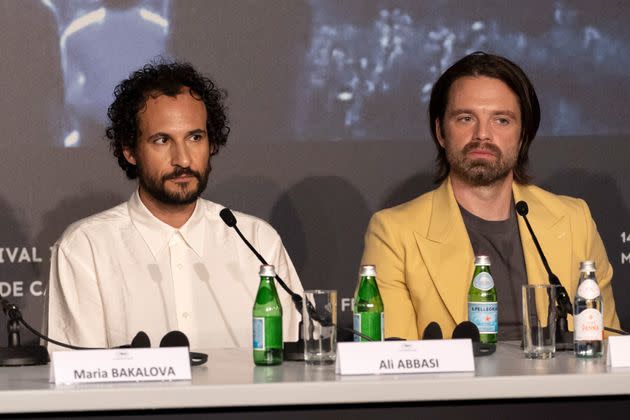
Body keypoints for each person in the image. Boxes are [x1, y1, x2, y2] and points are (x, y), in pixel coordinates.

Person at [361, 51, 620, 340]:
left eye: (501, 120)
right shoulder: (394, 233)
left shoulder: (574, 221)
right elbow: (395, 364)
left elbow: (609, 346)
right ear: (440, 132)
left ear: (523, 136)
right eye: (466, 118)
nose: (482, 134)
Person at [46, 61, 303, 350]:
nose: (182, 158)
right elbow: (75, 379)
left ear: (212, 142)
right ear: (129, 150)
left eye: (195, 137)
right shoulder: (86, 248)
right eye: (161, 140)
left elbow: (296, 364)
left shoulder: (257, 241)